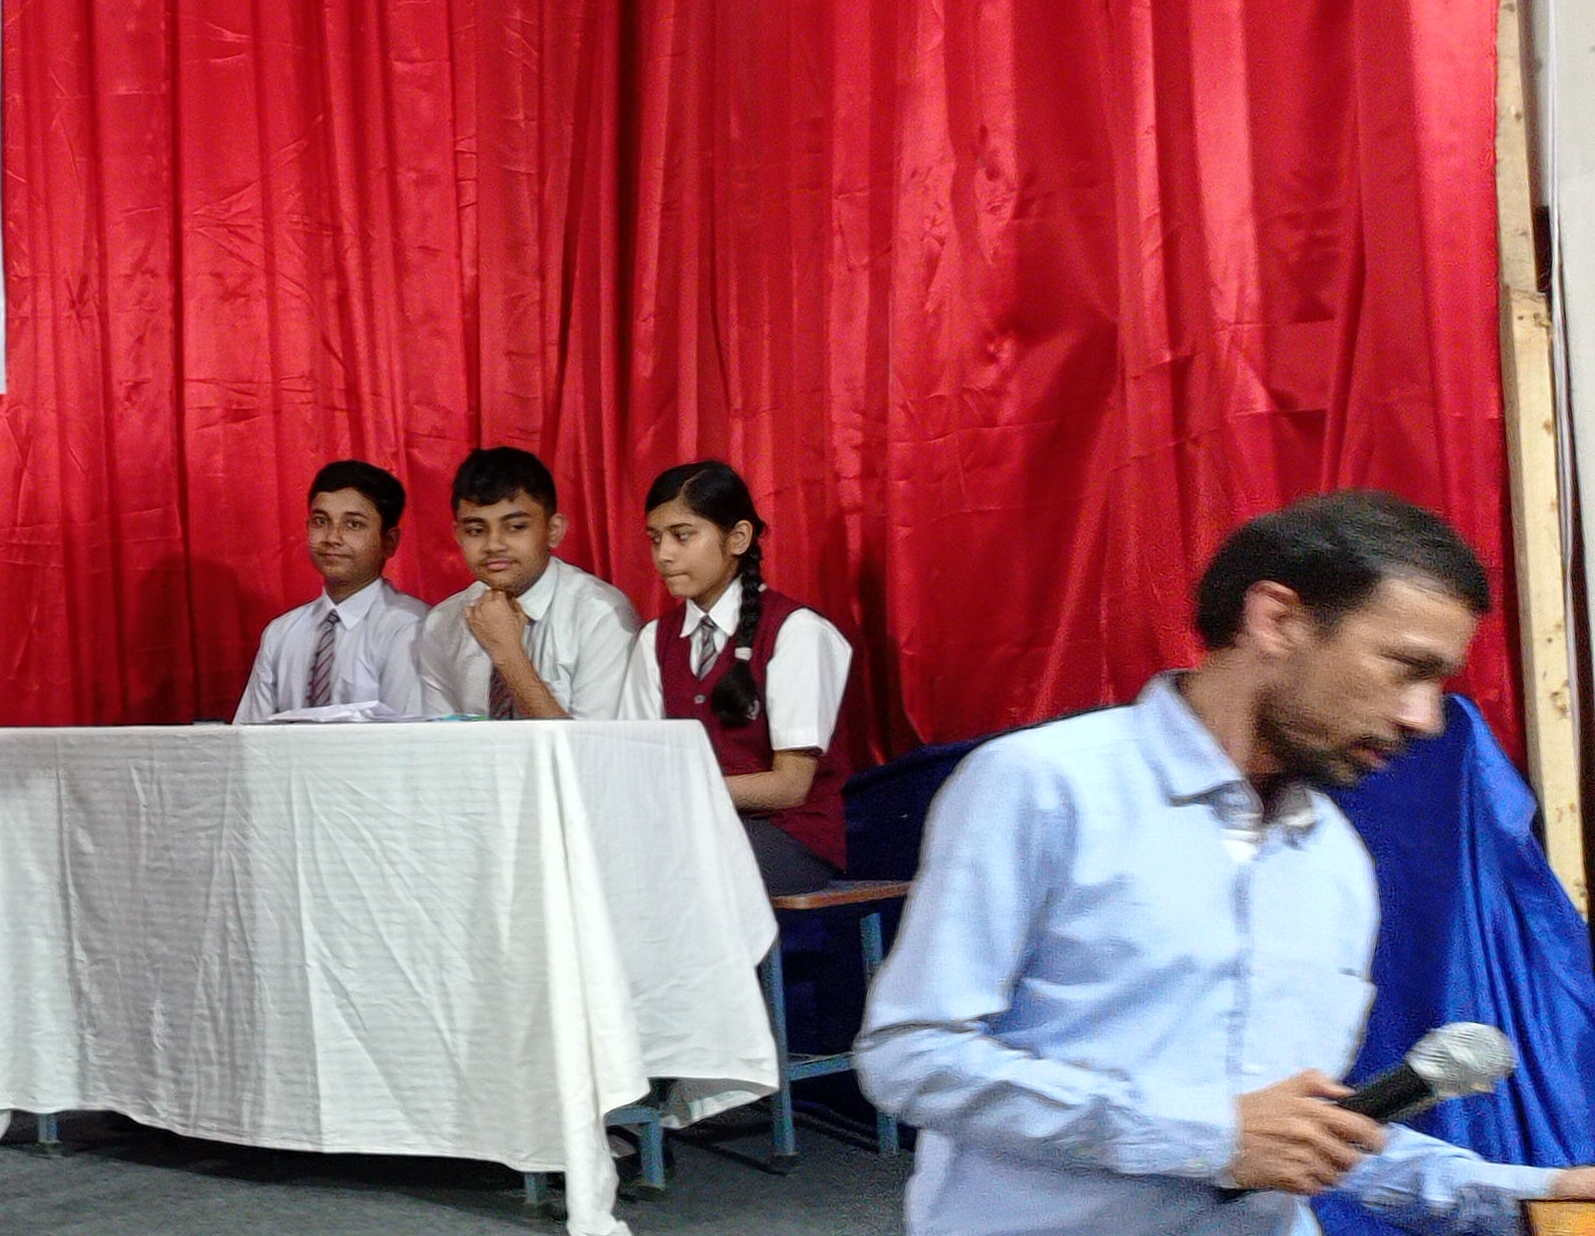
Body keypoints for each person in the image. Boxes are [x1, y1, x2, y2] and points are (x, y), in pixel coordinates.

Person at [858, 491, 1595, 1235]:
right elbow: (913, 1055)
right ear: (1277, 620)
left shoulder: (1334, 859)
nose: (1425, 719)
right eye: (1406, 669)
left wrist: (1536, 1194)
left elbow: (1301, 1139)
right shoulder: (1046, 786)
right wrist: (1210, 1138)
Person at [626, 461, 856, 895]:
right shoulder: (655, 640)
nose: (664, 555)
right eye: (655, 539)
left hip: (787, 836)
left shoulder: (796, 632)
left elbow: (790, 786)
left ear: (738, 538)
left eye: (682, 535)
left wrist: (684, 791)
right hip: (688, 829)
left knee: (670, 872)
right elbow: (639, 762)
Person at [412, 447, 642, 719]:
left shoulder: (600, 615)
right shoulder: (444, 621)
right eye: (476, 530)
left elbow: (592, 743)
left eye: (516, 527)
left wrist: (508, 655)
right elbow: (440, 737)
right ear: (458, 535)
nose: (493, 544)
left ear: (553, 531)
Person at [229, 460, 432, 721]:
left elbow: (407, 734)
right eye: (321, 521)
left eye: (353, 524)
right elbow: (250, 734)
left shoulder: (409, 627)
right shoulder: (280, 633)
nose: (332, 537)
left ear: (389, 541)